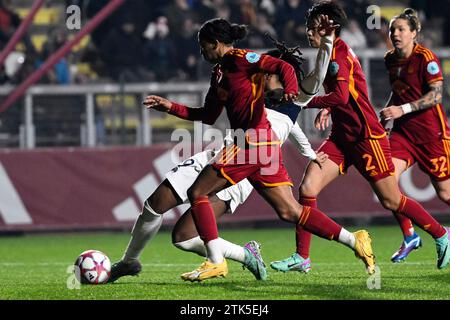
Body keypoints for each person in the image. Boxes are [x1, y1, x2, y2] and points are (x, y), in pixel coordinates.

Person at [144, 16, 377, 282]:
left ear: (215, 43)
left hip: (251, 141)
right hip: (262, 147)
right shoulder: (219, 74)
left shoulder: (243, 59)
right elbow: (208, 114)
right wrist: (170, 107)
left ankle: (216, 261)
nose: (201, 53)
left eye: (202, 47)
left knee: (197, 191)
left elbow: (283, 67)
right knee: (290, 211)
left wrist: (290, 90)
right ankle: (354, 239)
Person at [108, 35, 333, 283]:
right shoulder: (252, 93)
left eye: (266, 72)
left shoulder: (296, 99)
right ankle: (129, 261)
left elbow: (317, 77)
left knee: (183, 237)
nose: (261, 75)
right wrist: (309, 152)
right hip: (218, 155)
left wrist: (327, 42)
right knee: (154, 203)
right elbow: (294, 132)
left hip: (244, 170)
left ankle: (244, 255)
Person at [270, 1, 450, 274]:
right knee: (307, 188)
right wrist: (328, 107)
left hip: (366, 137)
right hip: (342, 135)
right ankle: (302, 256)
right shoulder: (329, 53)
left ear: (328, 26)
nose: (307, 31)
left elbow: (343, 95)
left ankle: (440, 234)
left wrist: (306, 103)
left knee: (391, 200)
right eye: (308, 26)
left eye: (312, 26)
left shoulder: (338, 53)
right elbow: (351, 90)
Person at [379, 8, 450, 263]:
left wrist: (402, 109)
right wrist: (389, 114)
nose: (395, 34)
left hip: (432, 135)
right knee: (386, 182)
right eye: (392, 30)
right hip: (403, 135)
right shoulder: (390, 59)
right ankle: (410, 235)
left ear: (414, 33)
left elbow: (437, 95)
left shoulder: (425, 58)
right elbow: (399, 93)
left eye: (401, 30)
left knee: (445, 194)